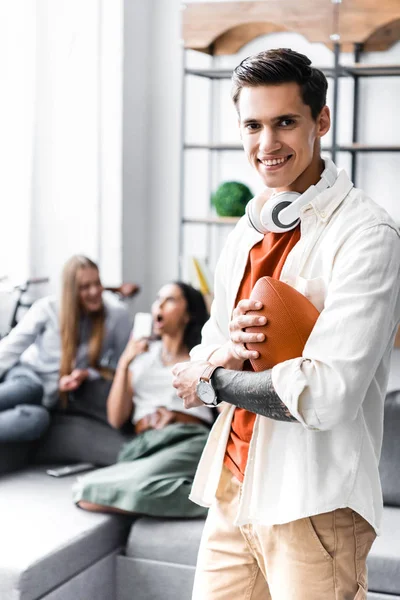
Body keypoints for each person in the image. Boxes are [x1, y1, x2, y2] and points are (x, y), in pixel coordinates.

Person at [172, 48, 400, 599]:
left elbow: (326, 395)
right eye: (253, 125)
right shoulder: (245, 231)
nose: (266, 144)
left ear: (320, 121)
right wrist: (219, 360)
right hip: (234, 488)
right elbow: (210, 343)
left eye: (285, 123)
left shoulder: (368, 235)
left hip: (314, 504)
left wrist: (213, 379)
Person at [72, 281, 214, 519]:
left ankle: (220, 503)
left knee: (129, 491)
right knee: (84, 490)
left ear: (188, 314)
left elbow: (224, 405)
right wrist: (124, 362)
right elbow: (117, 418)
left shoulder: (202, 357)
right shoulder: (138, 359)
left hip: (187, 438)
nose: (158, 304)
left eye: (170, 300)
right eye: (158, 299)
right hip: (145, 445)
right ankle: (214, 497)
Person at [0, 255, 132, 442]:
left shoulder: (114, 316)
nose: (95, 291)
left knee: (38, 419)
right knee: (32, 389)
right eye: (85, 287)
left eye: (97, 283)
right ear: (71, 290)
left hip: (51, 397)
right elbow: (10, 348)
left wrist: (86, 374)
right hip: (27, 376)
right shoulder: (48, 309)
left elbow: (120, 368)